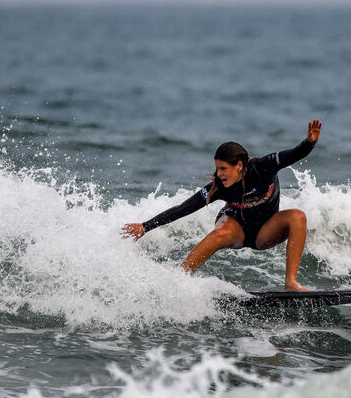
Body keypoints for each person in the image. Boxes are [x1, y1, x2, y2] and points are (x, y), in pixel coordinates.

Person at [121, 120, 322, 291]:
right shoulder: (218, 188)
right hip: (236, 228)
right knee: (221, 232)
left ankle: (290, 282)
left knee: (298, 217)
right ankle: (179, 279)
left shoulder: (263, 166)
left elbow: (295, 154)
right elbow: (183, 208)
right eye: (217, 169)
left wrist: (310, 142)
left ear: (240, 166)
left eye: (224, 169)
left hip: (265, 231)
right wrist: (145, 226)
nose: (219, 174)